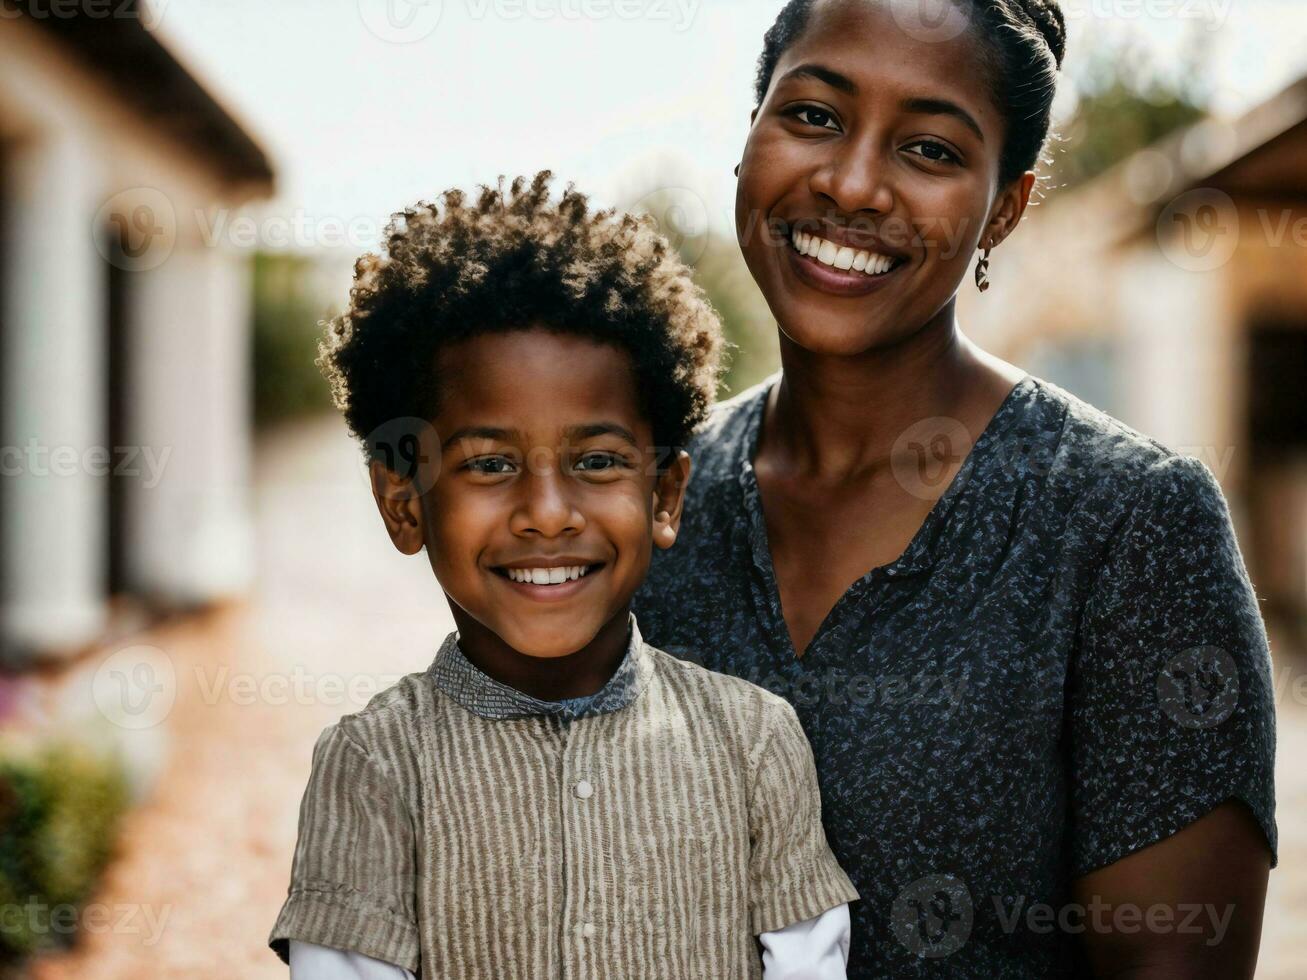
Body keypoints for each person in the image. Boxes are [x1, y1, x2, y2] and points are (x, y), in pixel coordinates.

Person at [631, 1, 1277, 976]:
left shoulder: (1127, 526)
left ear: (1003, 208)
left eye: (928, 149)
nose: (849, 183)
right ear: (747, 135)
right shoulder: (644, 505)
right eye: (810, 116)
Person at [267, 172, 859, 978]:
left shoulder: (754, 744)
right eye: (489, 462)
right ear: (403, 502)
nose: (547, 512)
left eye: (596, 460)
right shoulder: (375, 767)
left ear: (665, 494)